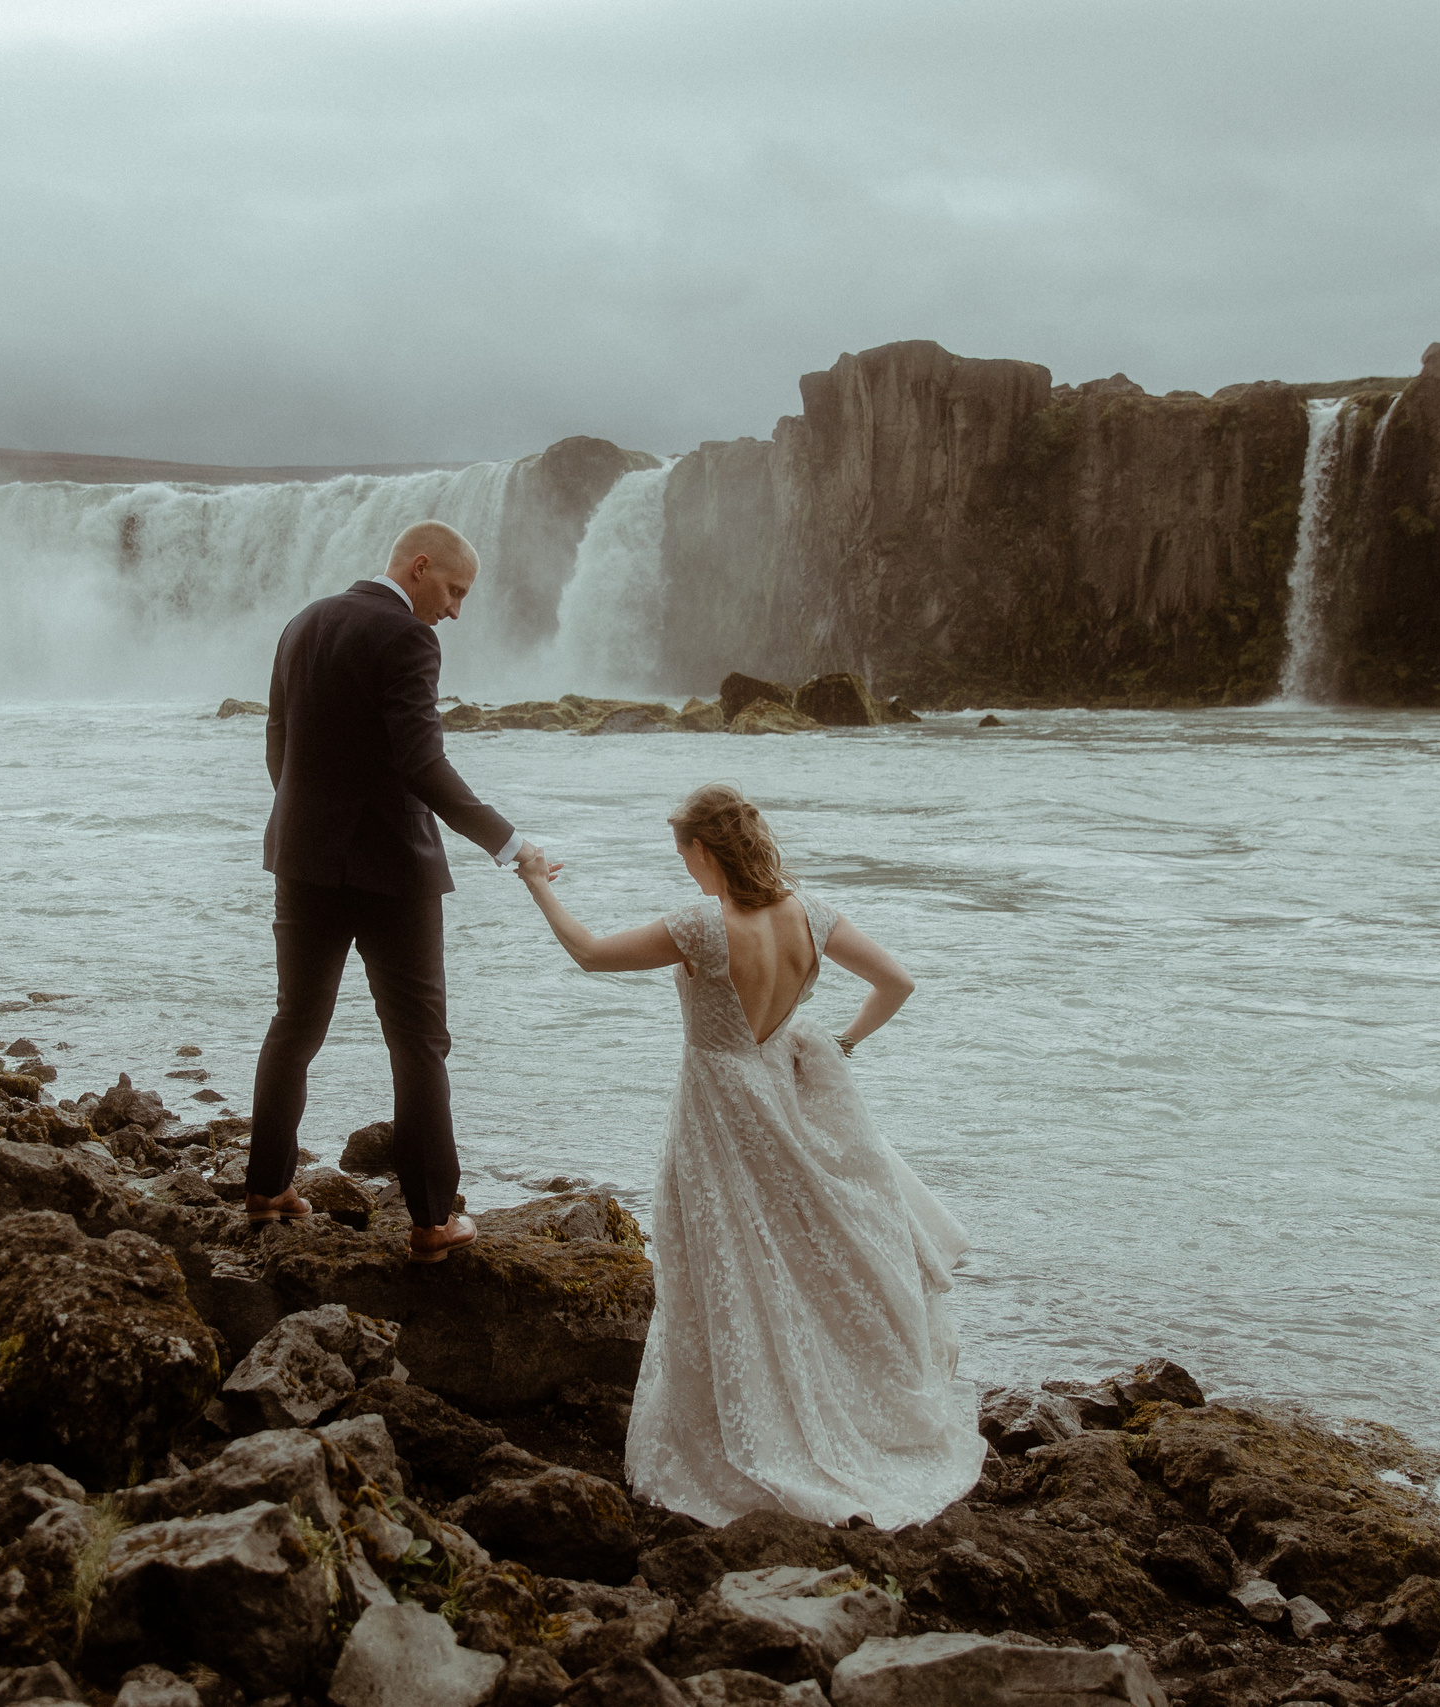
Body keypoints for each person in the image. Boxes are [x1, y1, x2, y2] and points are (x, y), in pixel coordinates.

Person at [512, 783, 985, 1528]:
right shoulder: (810, 913)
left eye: (684, 854)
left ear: (704, 849)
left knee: (724, 1263)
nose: (687, 870)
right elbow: (898, 981)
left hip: (716, 1114)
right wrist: (842, 1044)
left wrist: (538, 884)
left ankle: (746, 1427)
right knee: (796, 1261)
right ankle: (835, 1408)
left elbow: (590, 954)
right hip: (782, 1101)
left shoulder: (704, 922)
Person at [247, 519, 537, 1264]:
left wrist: (311, 825)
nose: (455, 610)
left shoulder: (302, 623)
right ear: (418, 567)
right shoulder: (409, 638)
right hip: (392, 874)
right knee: (418, 1043)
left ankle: (267, 1187)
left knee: (295, 1025)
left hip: (302, 861)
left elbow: (278, 743)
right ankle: (433, 1220)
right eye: (453, 589)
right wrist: (506, 841)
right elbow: (421, 762)